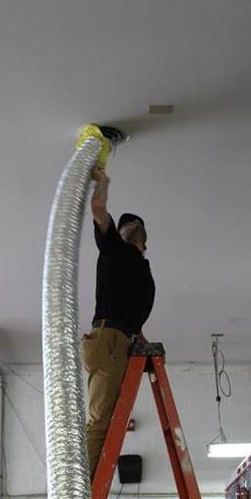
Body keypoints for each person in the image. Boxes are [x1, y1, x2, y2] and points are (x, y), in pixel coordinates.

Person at [83, 165, 155, 479]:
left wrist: (143, 342)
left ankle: (89, 483)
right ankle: (81, 491)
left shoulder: (143, 270)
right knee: (100, 422)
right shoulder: (115, 251)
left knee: (108, 420)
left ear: (144, 238)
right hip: (109, 340)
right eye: (123, 226)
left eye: (133, 224)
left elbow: (135, 319)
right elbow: (99, 210)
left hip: (121, 341)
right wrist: (102, 181)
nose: (127, 226)